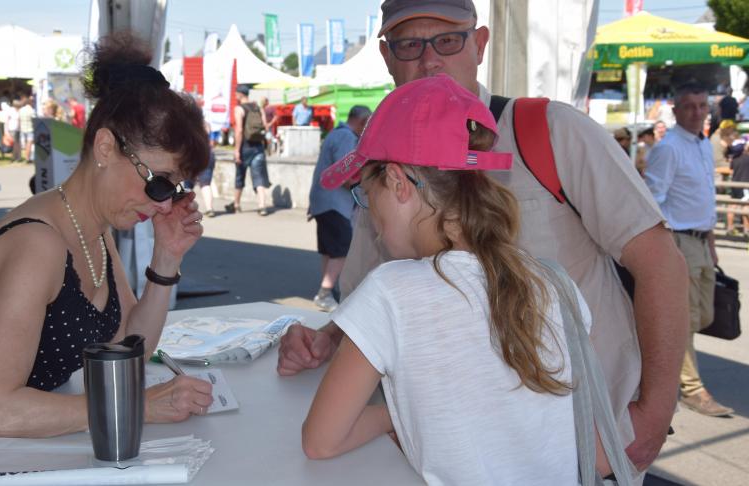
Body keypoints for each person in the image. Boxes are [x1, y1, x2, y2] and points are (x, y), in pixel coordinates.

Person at [279, 0, 689, 478]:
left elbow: (661, 263)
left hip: (587, 453)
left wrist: (653, 415)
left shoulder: (553, 132)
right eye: (410, 44)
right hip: (434, 460)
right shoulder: (386, 167)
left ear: (479, 45)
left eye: (448, 40)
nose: (429, 59)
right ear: (387, 57)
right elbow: (372, 308)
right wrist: (326, 340)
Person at [0, 32, 214, 443]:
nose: (167, 205)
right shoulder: (38, 244)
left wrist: (166, 260)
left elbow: (129, 348)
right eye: (160, 184)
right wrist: (137, 404)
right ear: (104, 147)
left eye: (176, 190)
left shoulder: (91, 230)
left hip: (4, 454)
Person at [304, 75, 616, 483]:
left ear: (398, 183)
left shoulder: (390, 292)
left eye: (365, 195)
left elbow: (321, 441)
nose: (368, 215)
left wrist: (395, 417)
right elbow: (600, 456)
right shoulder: (552, 284)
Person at [645, 83, 734, 418]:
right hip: (679, 241)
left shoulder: (701, 146)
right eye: (689, 106)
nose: (697, 112)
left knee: (703, 316)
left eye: (701, 106)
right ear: (677, 110)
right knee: (683, 320)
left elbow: (706, 197)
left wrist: (711, 244)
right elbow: (652, 199)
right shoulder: (669, 148)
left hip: (700, 240)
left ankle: (662, 366)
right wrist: (665, 249)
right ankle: (692, 388)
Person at [307, 106, 371, 312]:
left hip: (323, 201)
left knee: (330, 249)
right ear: (362, 122)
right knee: (341, 249)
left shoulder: (335, 134)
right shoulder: (346, 138)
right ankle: (325, 293)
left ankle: (327, 288)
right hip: (335, 203)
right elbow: (345, 173)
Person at [225, 85, 271, 216]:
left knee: (240, 175)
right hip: (258, 147)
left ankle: (236, 205)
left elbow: (239, 130)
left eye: (235, 94)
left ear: (239, 94)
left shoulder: (239, 109)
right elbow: (265, 127)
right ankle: (262, 206)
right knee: (259, 177)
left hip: (245, 147)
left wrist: (236, 150)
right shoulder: (259, 108)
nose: (235, 96)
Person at [185, 121, 216, 217]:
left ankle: (185, 208)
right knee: (206, 183)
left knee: (188, 184)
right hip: (208, 153)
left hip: (192, 154)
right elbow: (212, 141)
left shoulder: (189, 124)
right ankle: (209, 208)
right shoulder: (207, 124)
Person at [726, 144, 749, 236]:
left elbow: (731, 169)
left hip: (734, 185)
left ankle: (729, 227)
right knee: (746, 207)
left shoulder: (735, 160)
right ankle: (746, 229)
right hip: (745, 186)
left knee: (732, 206)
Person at [18, 94, 36, 161]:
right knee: (29, 143)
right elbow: (34, 120)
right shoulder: (31, 110)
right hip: (30, 128)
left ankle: (26, 156)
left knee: (25, 144)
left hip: (23, 128)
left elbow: (19, 119)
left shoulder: (21, 110)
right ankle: (27, 157)